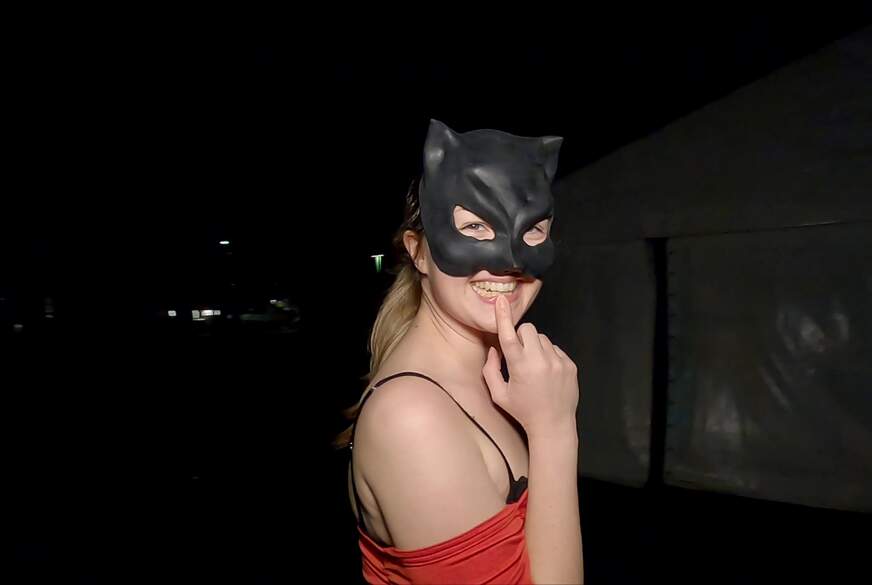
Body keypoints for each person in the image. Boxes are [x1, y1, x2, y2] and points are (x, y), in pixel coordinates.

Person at [333, 119, 583, 584]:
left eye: (532, 230)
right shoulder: (412, 418)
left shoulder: (499, 382)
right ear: (418, 252)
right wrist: (555, 432)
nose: (509, 260)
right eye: (474, 226)